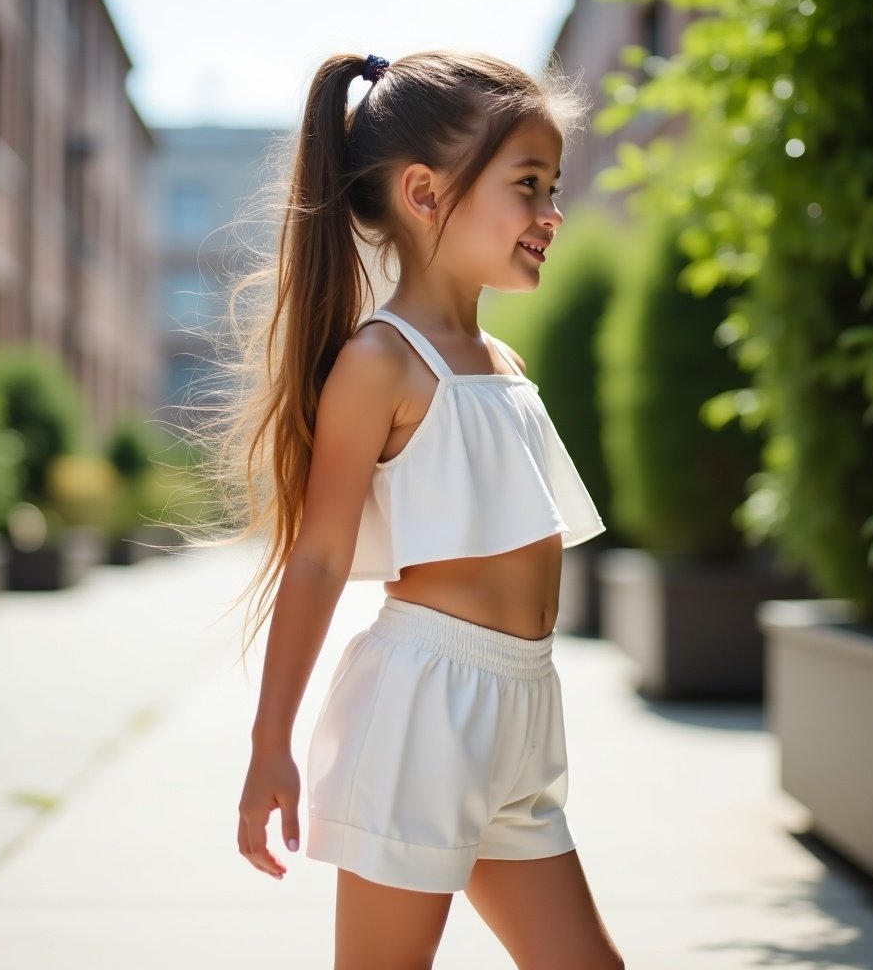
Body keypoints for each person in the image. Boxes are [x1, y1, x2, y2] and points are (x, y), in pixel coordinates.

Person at [230, 50, 626, 969]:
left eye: (554, 186)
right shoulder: (384, 362)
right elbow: (320, 557)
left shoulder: (505, 365)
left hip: (523, 705)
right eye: (528, 185)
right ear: (423, 192)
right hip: (424, 708)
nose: (551, 213)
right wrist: (268, 747)